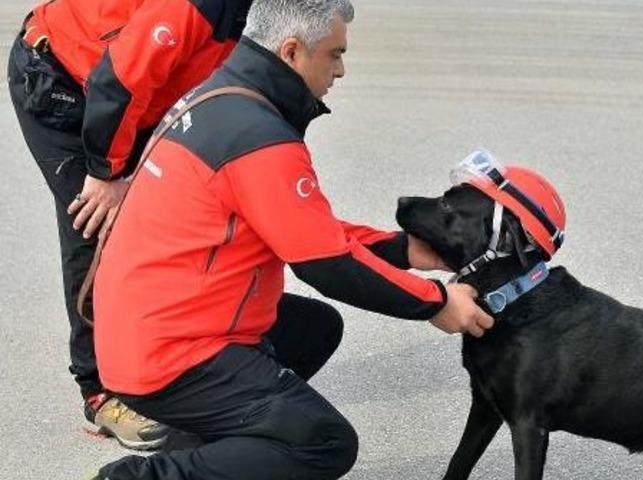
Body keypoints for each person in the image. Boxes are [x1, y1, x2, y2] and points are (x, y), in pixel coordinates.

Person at [87, 0, 494, 478]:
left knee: (314, 329)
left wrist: (402, 249)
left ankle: (194, 449)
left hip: (139, 328)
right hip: (166, 354)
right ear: (292, 51)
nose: (341, 71)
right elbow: (325, 264)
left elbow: (303, 227)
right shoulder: (259, 138)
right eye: (335, 54)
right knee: (324, 442)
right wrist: (436, 302)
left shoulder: (221, 97)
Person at [7, 0, 255, 449]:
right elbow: (118, 80)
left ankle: (163, 360)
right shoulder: (196, 5)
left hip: (133, 89)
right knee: (96, 228)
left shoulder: (270, 11)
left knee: (164, 221)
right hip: (60, 78)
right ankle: (99, 390)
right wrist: (106, 174)